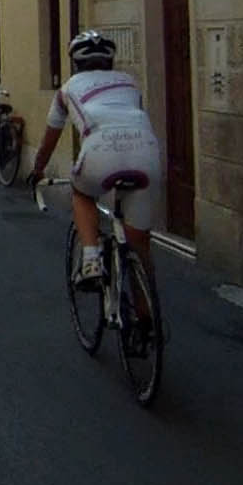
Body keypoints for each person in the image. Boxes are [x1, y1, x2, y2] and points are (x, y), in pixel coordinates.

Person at [26, 30, 165, 316]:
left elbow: (51, 137)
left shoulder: (67, 89)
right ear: (110, 61)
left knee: (81, 192)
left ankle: (90, 257)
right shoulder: (130, 83)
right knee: (139, 243)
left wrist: (38, 169)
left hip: (100, 150)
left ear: (75, 62)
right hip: (146, 151)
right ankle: (147, 317)